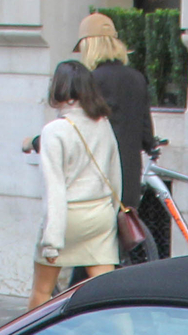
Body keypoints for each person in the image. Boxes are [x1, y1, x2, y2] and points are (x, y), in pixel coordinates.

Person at [29, 60, 120, 310]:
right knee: (110, 295)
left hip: (68, 217)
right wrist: (111, 213)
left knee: (41, 292)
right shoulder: (102, 122)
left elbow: (54, 187)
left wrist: (52, 240)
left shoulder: (54, 131)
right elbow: (115, 174)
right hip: (100, 213)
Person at [75, 13, 164, 258]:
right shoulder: (137, 78)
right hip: (129, 180)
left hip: (99, 178)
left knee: (91, 254)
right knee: (114, 250)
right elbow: (147, 134)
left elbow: (79, 131)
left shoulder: (91, 81)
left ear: (89, 46)